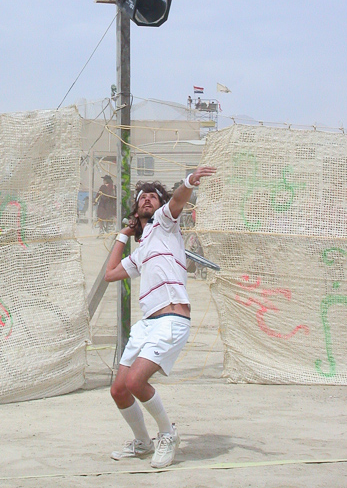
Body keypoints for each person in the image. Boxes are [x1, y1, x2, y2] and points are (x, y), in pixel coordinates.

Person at [104, 165, 216, 468]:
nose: (148, 199)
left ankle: (168, 434)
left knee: (138, 382)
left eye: (154, 196)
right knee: (119, 389)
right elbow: (110, 273)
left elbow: (178, 201)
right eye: (142, 197)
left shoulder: (165, 225)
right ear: (136, 209)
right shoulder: (141, 250)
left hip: (171, 319)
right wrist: (123, 234)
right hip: (147, 324)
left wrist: (189, 182)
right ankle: (142, 443)